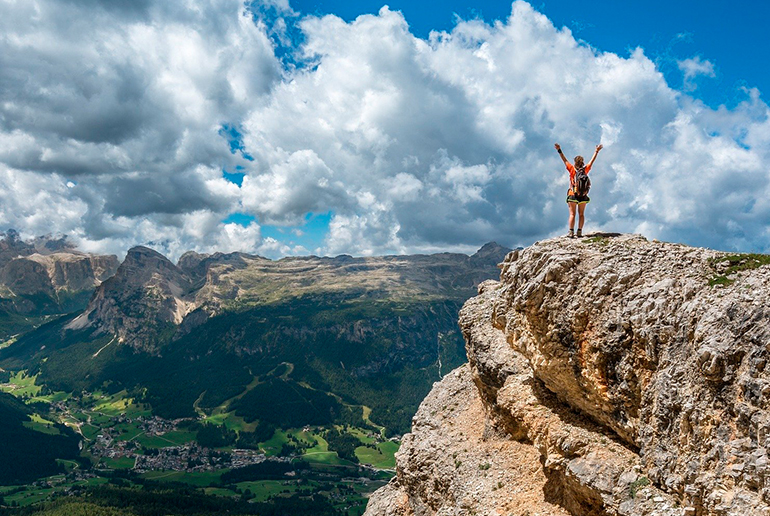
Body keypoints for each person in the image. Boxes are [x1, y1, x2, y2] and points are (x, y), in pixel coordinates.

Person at [554, 142, 603, 238]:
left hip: (572, 194)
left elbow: (564, 160)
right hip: (583, 195)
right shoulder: (585, 170)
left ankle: (571, 232)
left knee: (572, 214)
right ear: (582, 162)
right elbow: (592, 161)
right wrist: (596, 151)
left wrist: (559, 150)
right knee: (581, 214)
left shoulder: (571, 169)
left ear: (575, 162)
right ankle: (579, 231)